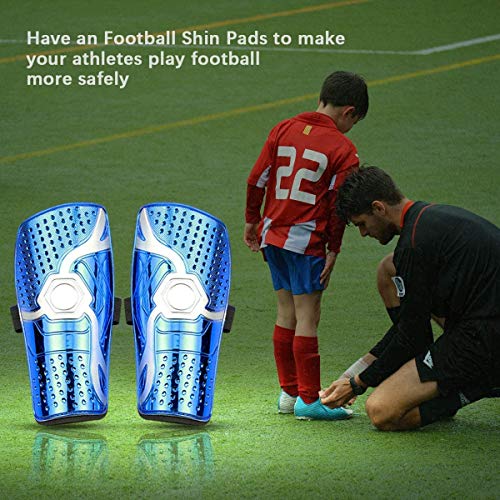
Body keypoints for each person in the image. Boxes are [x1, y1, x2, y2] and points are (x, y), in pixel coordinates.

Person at [320, 166, 500, 430]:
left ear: (379, 208)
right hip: (482, 317)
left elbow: (412, 337)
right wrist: (352, 374)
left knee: (382, 411)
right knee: (388, 268)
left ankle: (480, 384)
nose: (363, 233)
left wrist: (357, 384)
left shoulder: (413, 248)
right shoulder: (427, 218)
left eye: (361, 224)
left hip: (485, 336)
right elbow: (409, 327)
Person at [244, 71, 369, 420]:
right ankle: (310, 400)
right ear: (349, 111)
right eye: (354, 121)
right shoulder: (343, 149)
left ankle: (289, 393)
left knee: (285, 312)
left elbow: (256, 179)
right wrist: (334, 249)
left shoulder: (283, 128)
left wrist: (252, 220)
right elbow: (337, 206)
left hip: (272, 234)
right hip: (307, 241)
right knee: (308, 316)